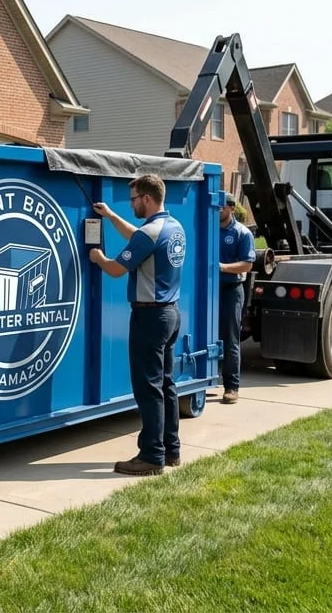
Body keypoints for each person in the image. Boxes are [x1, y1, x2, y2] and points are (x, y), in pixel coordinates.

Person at [89, 174, 185, 476]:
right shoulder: (173, 227)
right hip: (170, 314)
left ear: (146, 198)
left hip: (149, 317)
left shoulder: (150, 232)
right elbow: (139, 237)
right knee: (167, 384)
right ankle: (171, 450)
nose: (131, 205)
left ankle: (151, 456)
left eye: (132, 200)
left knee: (148, 388)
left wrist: (98, 258)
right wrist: (113, 216)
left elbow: (117, 269)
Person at [217, 191, 256, 404]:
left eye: (222, 207)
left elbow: (247, 265)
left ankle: (232, 386)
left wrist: (222, 268)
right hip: (209, 292)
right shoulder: (209, 229)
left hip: (231, 291)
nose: (218, 211)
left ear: (232, 208)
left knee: (230, 339)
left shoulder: (242, 233)